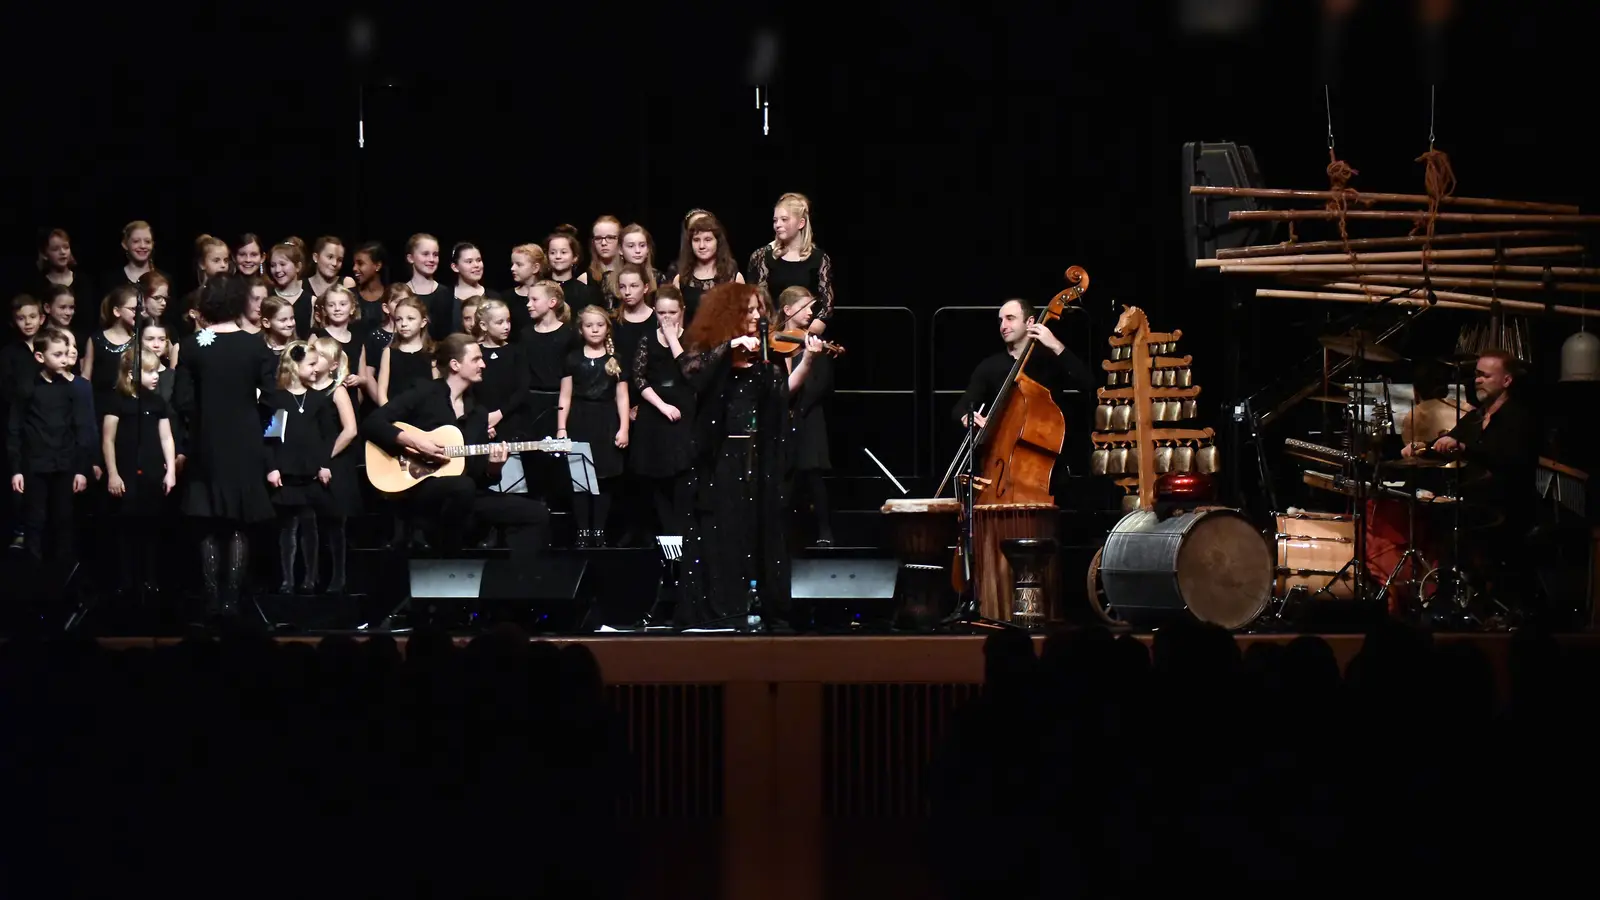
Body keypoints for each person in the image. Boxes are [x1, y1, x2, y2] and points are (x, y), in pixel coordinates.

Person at [673, 282, 824, 632]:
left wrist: (809, 360)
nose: (758, 316)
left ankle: (761, 606)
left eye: (760, 310)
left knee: (757, 531)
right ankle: (721, 607)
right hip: (720, 459)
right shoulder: (711, 355)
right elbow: (690, 371)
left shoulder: (765, 363)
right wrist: (729, 348)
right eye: (750, 310)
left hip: (757, 461)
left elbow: (782, 395)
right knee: (721, 531)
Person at [361, 334, 550, 556]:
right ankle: (446, 556)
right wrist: (415, 442)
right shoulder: (424, 393)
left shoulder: (478, 413)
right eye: (476, 359)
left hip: (462, 495)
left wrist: (493, 468)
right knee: (463, 488)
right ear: (455, 365)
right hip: (416, 487)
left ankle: (515, 581)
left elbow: (478, 476)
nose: (483, 364)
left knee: (536, 514)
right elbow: (372, 423)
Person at [1401, 349, 1541, 617]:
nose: (1477, 380)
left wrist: (1465, 448)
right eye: (1476, 375)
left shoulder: (1520, 417)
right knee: (1438, 514)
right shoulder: (1476, 417)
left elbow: (1511, 460)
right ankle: (1452, 599)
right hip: (1477, 503)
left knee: (1455, 525)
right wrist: (1420, 449)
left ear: (1507, 381)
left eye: (1484, 375)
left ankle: (1483, 599)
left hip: (1509, 506)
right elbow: (1449, 443)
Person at [174, 274, 281, 619]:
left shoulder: (194, 345)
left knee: (208, 521)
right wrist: (253, 419)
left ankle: (210, 599)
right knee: (237, 523)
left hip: (207, 442)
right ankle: (231, 602)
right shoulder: (255, 346)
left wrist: (204, 418)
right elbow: (273, 398)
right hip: (245, 443)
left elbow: (182, 400)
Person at [952, 298, 1093, 497]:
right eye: (1001, 320)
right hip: (1000, 468)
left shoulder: (1050, 360)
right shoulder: (990, 366)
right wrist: (968, 416)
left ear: (1030, 322)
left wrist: (1055, 345)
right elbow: (960, 407)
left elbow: (1088, 384)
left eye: (1010, 319)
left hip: (1047, 466)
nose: (1003, 326)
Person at [7, 327, 95, 573]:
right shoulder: (27, 388)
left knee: (64, 520)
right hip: (35, 465)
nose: (65, 360)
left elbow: (80, 429)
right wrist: (16, 470)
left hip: (64, 464)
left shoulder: (72, 388)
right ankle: (34, 575)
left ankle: (64, 575)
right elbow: (15, 429)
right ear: (40, 357)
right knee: (35, 520)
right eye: (58, 355)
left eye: (66, 354)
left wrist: (80, 470)